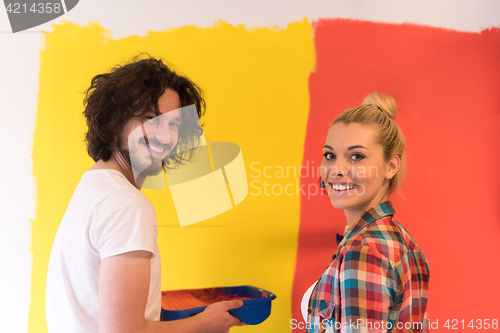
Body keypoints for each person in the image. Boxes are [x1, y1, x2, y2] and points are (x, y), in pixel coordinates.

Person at [45, 55, 244, 333]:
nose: (165, 136)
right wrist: (203, 324)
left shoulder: (93, 186)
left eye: (174, 124)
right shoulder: (126, 204)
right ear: (115, 120)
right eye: (150, 118)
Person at [305, 92, 430, 333]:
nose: (336, 170)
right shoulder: (398, 240)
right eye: (329, 155)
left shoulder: (365, 250)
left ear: (391, 166)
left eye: (356, 156)